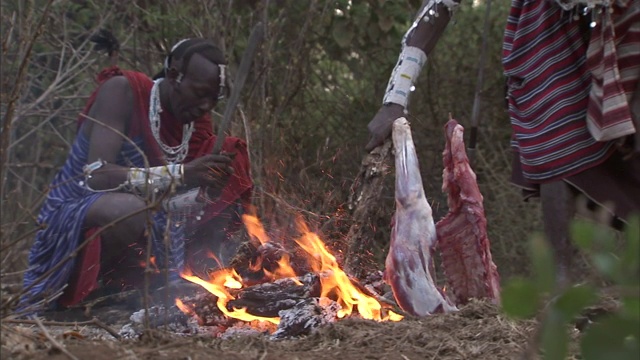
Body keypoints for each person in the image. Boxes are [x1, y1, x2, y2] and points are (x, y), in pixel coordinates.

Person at [366, 0, 639, 282]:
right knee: (552, 127)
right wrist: (396, 99)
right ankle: (562, 283)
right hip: (547, 28)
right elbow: (437, 8)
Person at [19, 32, 253, 313]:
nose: (206, 106)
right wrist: (182, 174)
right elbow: (97, 176)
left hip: (153, 215)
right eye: (200, 93)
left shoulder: (195, 121)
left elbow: (169, 204)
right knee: (131, 209)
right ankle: (88, 295)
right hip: (79, 207)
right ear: (175, 75)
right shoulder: (122, 91)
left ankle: (149, 293)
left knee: (232, 155)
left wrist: (205, 194)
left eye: (214, 99)